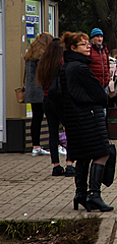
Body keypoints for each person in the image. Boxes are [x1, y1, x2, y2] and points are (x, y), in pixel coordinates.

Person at [60, 32, 113, 212]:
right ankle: (94, 195)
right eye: (83, 45)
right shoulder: (81, 68)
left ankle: (80, 193)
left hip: (74, 118)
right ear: (73, 48)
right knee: (102, 152)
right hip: (88, 116)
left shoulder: (65, 67)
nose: (88, 46)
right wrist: (103, 99)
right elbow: (98, 93)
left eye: (87, 44)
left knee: (83, 156)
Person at [36, 37, 75, 176]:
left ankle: (56, 165)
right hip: (61, 100)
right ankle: (69, 164)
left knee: (53, 133)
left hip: (47, 100)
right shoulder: (62, 63)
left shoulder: (44, 64)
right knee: (70, 130)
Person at [24, 32, 53, 156]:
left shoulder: (30, 55)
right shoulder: (43, 56)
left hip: (31, 91)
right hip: (42, 91)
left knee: (36, 118)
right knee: (52, 117)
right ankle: (55, 145)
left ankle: (35, 146)